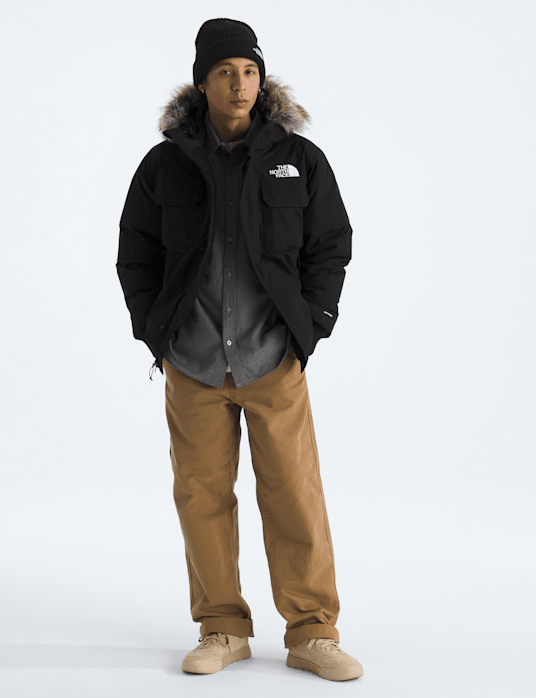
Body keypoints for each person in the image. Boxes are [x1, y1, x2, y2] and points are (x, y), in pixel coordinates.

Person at [116, 18, 363, 682]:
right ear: (203, 81)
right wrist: (156, 332)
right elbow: (136, 253)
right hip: (193, 360)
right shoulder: (165, 164)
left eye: (250, 71)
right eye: (226, 72)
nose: (240, 83)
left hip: (272, 358)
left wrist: (311, 325)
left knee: (294, 494)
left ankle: (312, 632)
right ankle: (222, 627)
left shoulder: (298, 158)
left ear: (262, 79)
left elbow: (330, 245)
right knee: (201, 496)